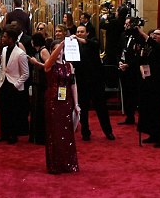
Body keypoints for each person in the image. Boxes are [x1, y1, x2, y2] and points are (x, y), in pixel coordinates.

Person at [43, 28, 80, 174]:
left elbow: (73, 84)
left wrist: (76, 104)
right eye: (56, 49)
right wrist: (62, 44)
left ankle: (68, 163)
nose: (60, 52)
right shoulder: (50, 64)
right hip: (52, 101)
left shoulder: (69, 65)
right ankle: (55, 164)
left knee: (67, 133)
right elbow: (48, 63)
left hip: (66, 102)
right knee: (55, 133)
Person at [73, 24, 115, 141]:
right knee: (83, 109)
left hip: (96, 82)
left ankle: (108, 132)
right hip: (82, 82)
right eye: (77, 32)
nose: (79, 34)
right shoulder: (75, 46)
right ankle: (85, 132)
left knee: (101, 108)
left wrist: (80, 40)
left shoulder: (93, 42)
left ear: (87, 33)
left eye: (82, 32)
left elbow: (95, 45)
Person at [0, 25, 31, 144]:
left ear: (11, 39)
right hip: (3, 84)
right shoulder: (4, 50)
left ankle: (13, 135)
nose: (2, 38)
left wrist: (15, 85)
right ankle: (4, 134)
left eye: (4, 37)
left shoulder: (20, 53)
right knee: (3, 111)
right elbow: (2, 68)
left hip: (14, 87)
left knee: (13, 112)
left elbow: (26, 73)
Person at [137, 28, 160, 148]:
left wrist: (143, 34)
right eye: (153, 34)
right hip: (150, 83)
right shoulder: (151, 48)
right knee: (151, 110)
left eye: (158, 34)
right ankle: (153, 134)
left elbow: (156, 47)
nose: (155, 36)